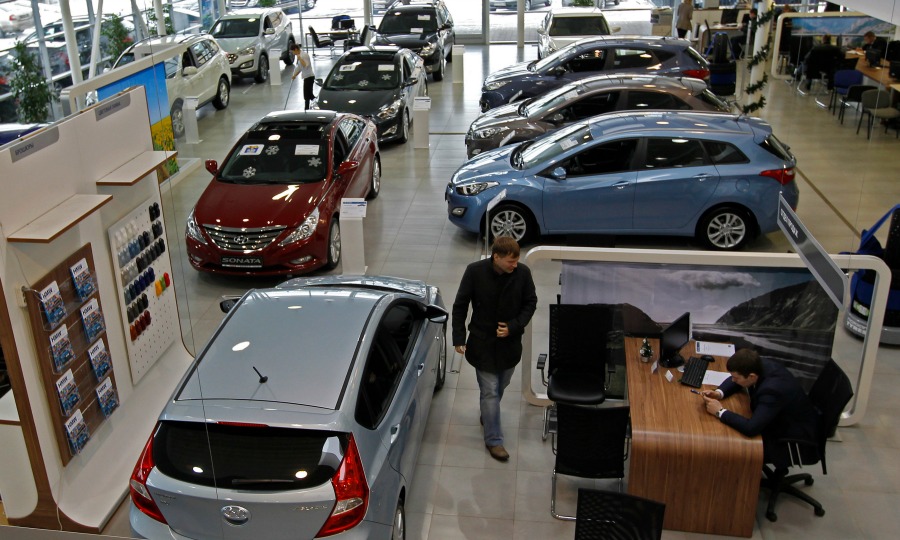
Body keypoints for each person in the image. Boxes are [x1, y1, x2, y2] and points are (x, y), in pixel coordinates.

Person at [452, 236, 537, 462]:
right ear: (496, 257)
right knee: (490, 390)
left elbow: (531, 302)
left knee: (501, 384)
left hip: (509, 346)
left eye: (516, 260)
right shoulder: (474, 272)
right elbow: (460, 305)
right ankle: (494, 440)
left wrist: (514, 326)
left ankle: (488, 413)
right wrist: (458, 337)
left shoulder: (523, 274)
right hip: (483, 344)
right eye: (510, 261)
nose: (515, 265)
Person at [701, 348, 819, 469]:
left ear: (752, 376)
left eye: (736, 378)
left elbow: (751, 428)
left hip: (793, 439)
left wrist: (720, 411)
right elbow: (739, 378)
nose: (733, 380)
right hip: (784, 418)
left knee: (732, 448)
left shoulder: (772, 391)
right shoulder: (758, 365)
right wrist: (719, 393)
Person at [290, 44, 316, 110]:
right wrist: (294, 75)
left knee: (308, 95)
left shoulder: (304, 55)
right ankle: (307, 108)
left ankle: (308, 108)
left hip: (309, 76)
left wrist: (300, 59)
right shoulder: (299, 56)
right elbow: (299, 68)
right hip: (306, 77)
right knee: (308, 94)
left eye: (293, 51)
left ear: (296, 49)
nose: (293, 53)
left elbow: (306, 66)